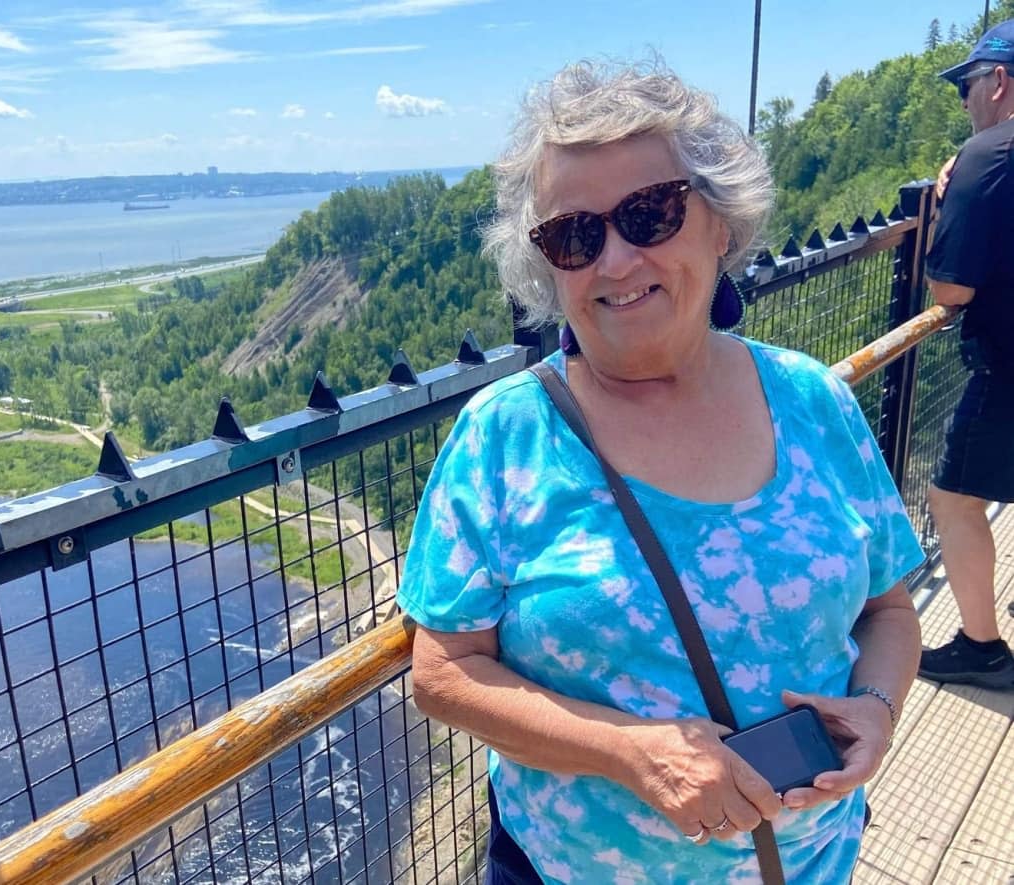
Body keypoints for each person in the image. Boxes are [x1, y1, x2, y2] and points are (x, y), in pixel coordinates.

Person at [395, 60, 926, 883]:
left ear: (720, 223)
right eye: (575, 236)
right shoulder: (503, 436)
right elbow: (442, 671)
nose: (613, 261)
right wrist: (627, 752)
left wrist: (879, 710)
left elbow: (889, 608)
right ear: (547, 267)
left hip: (817, 863)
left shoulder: (812, 400)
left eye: (651, 214)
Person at [918, 20, 1014, 690]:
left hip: (1008, 369)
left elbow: (950, 286)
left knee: (951, 496)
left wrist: (949, 201)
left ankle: (981, 646)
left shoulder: (990, 157)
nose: (965, 102)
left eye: (969, 85)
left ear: (1000, 81)